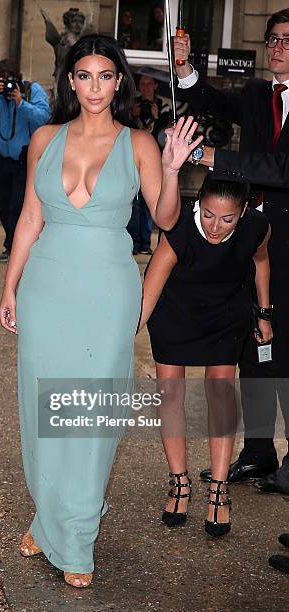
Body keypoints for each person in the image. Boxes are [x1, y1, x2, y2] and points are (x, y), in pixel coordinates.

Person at [0, 35, 196, 588]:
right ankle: (46, 515)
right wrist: (10, 286)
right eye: (83, 76)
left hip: (108, 290)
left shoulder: (138, 144)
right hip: (45, 286)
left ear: (120, 82)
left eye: (105, 76)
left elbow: (166, 219)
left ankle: (77, 535)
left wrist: (175, 168)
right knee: (44, 413)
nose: (94, 87)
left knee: (89, 419)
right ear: (69, 81)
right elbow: (30, 219)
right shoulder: (43, 138)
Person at [174, 8, 289, 494]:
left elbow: (280, 168)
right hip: (253, 238)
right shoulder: (260, 94)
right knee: (252, 348)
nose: (279, 46)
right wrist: (184, 69)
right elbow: (211, 101)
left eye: (288, 38)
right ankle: (259, 451)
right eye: (274, 38)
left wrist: (209, 156)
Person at [139, 170, 272, 537]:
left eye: (227, 219)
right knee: (170, 392)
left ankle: (218, 489)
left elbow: (261, 263)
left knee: (221, 391)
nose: (215, 226)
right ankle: (179, 483)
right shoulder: (180, 228)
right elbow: (150, 291)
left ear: (243, 212)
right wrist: (123, 330)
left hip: (225, 313)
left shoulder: (257, 227)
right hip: (175, 313)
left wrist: (264, 313)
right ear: (198, 204)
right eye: (209, 214)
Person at [0, 60, 50, 263]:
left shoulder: (31, 90)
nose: (7, 84)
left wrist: (20, 102)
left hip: (24, 160)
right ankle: (13, 244)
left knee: (18, 206)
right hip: (0, 159)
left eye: (10, 79)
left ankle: (13, 247)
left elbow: (44, 118)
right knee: (4, 206)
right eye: (2, 79)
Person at [128, 68, 170, 254]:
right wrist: (133, 116)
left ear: (155, 85)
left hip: (154, 162)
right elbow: (124, 131)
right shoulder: (132, 105)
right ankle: (133, 244)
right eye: (142, 83)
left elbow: (165, 135)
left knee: (148, 203)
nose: (145, 87)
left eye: (148, 83)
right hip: (133, 160)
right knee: (132, 203)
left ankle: (144, 244)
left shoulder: (164, 106)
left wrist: (157, 118)